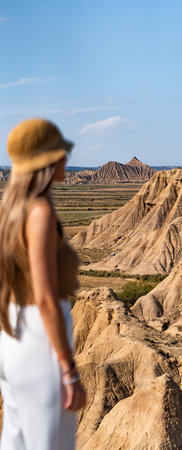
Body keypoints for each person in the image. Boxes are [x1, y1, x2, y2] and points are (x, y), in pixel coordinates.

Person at [0, 118, 86, 450]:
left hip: (12, 339)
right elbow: (46, 299)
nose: (66, 159)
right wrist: (69, 370)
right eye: (60, 152)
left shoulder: (11, 211)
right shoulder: (40, 213)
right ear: (46, 161)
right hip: (40, 345)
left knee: (16, 442)